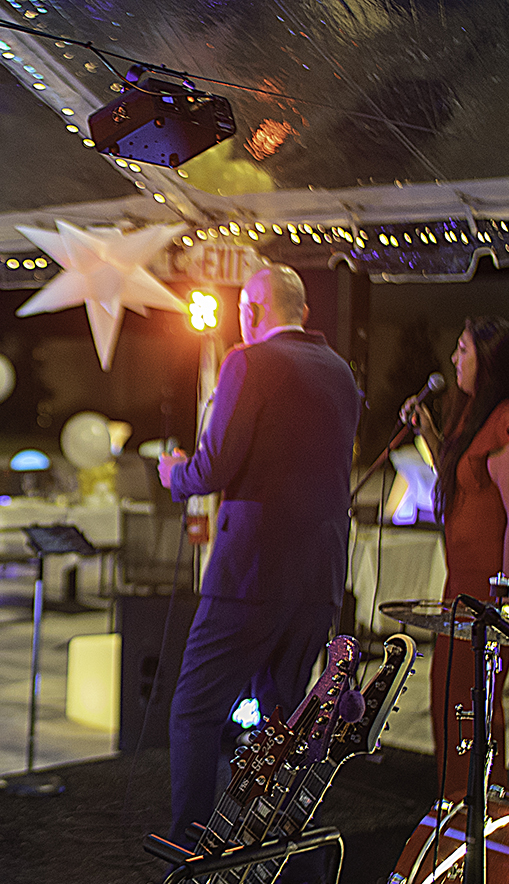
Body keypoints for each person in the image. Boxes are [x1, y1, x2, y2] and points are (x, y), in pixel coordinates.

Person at [156, 265, 359, 845]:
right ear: (304, 311)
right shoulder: (340, 371)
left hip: (250, 576)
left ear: (251, 310)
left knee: (195, 711)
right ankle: (282, 859)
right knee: (286, 724)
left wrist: (175, 473)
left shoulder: (249, 361)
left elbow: (213, 466)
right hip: (316, 578)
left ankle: (188, 866)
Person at [401, 316, 509, 801]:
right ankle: (458, 802)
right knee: (450, 689)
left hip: (492, 581)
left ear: (487, 361)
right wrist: (427, 433)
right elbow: (464, 476)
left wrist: (503, 597)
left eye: (463, 349)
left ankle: (482, 807)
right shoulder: (478, 414)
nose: (454, 359)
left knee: (474, 694)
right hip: (465, 575)